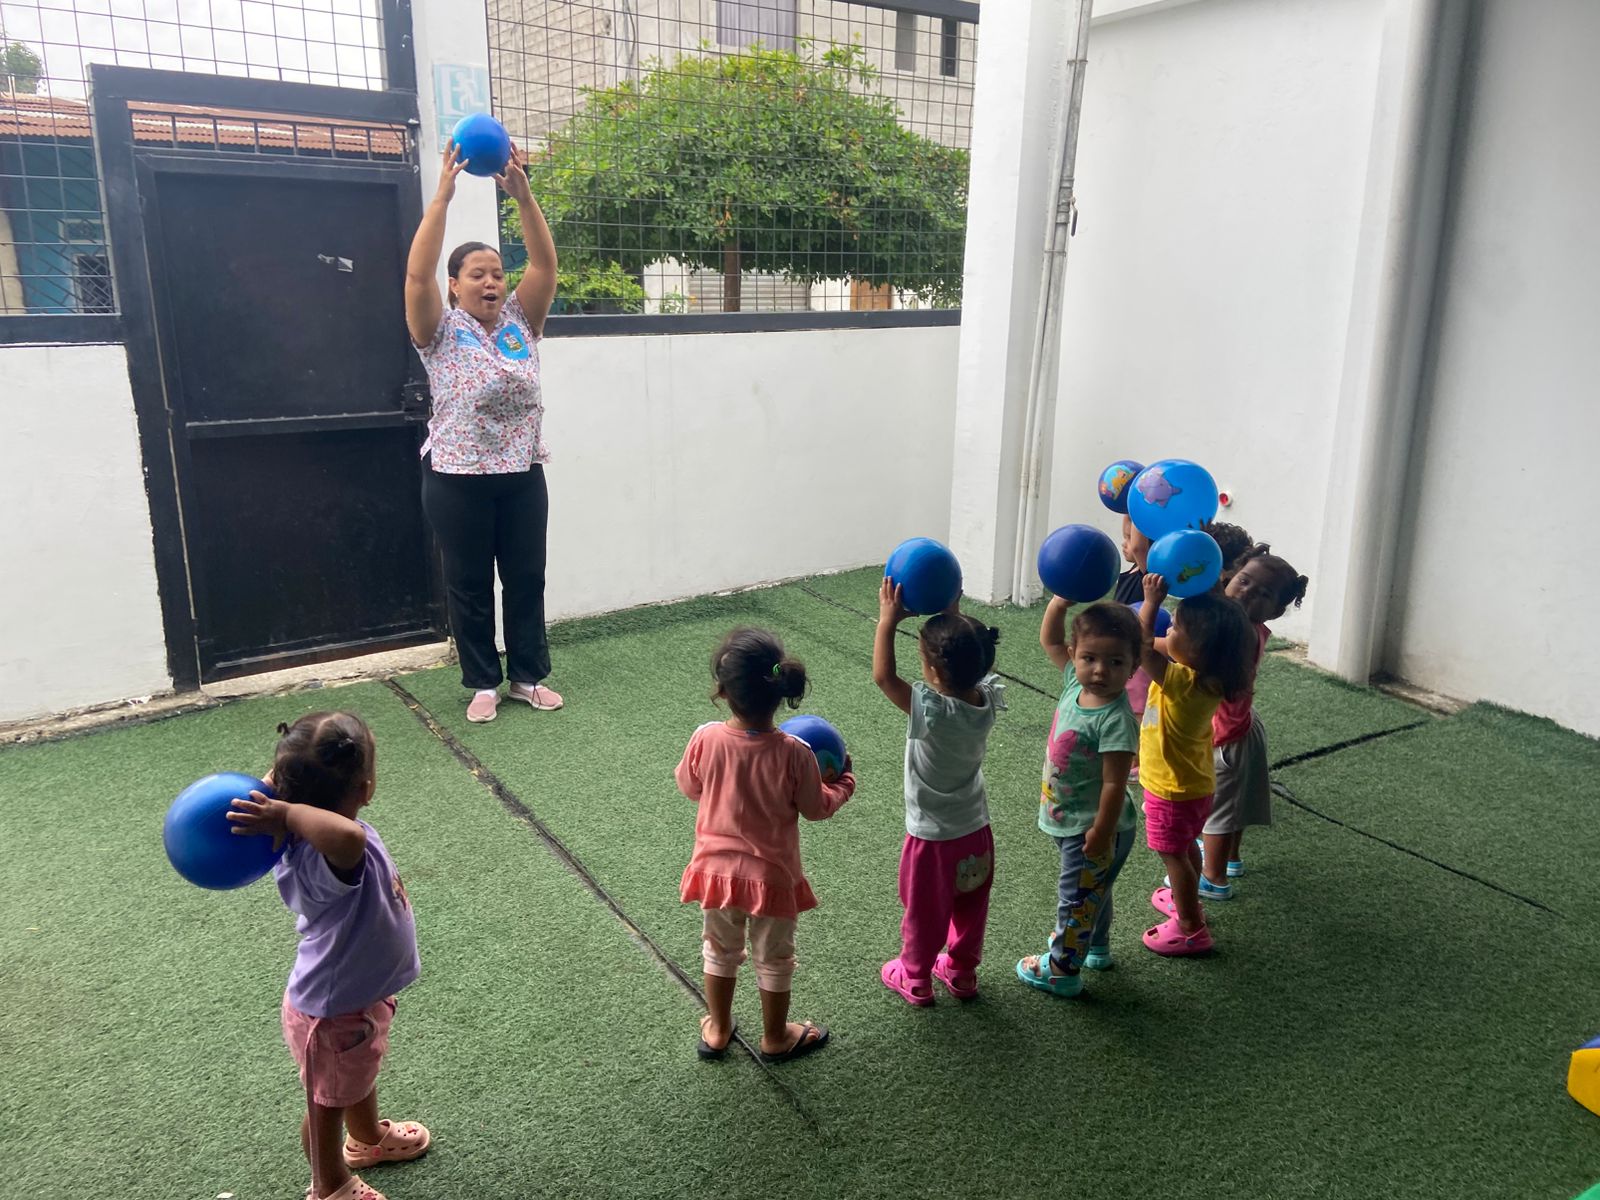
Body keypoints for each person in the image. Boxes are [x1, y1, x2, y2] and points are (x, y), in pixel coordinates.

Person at [228, 712, 425, 1200]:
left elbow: (292, 790)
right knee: (325, 1105)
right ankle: (330, 1185)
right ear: (365, 788)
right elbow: (348, 837)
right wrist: (285, 814)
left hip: (357, 997)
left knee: (357, 1076)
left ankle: (366, 1139)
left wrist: (281, 803)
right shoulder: (331, 850)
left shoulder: (315, 831)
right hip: (332, 1012)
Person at [404, 142, 563, 724]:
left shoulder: (521, 321)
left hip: (521, 473)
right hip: (456, 478)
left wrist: (524, 197)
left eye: (497, 274)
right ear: (455, 285)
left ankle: (527, 676)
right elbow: (416, 273)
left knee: (525, 578)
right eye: (478, 275)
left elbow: (544, 267)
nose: (491, 282)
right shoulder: (438, 330)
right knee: (468, 583)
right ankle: (481, 682)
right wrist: (442, 198)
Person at [677, 628, 855, 1063]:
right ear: (778, 692)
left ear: (722, 691)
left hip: (715, 874)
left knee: (719, 950)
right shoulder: (796, 752)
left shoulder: (705, 738)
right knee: (774, 958)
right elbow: (816, 808)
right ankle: (775, 1037)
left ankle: (718, 1029)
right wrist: (844, 783)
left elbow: (689, 786)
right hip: (772, 879)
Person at [873, 579, 1004, 1004]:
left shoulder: (930, 711)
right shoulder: (986, 701)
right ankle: (962, 971)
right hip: (976, 832)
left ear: (932, 673)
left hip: (932, 840)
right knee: (971, 906)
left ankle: (915, 977)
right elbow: (968, 655)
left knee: (925, 911)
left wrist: (888, 621)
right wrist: (953, 614)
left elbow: (884, 676)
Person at [1017, 601, 1142, 996]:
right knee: (1093, 890)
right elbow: (1051, 640)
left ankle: (1061, 969)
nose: (1100, 670)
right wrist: (1059, 603)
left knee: (1075, 900)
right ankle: (1096, 947)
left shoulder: (1116, 719)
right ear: (1074, 656)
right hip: (1073, 819)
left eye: (1115, 662)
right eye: (1090, 658)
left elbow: (1114, 783)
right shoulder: (1075, 682)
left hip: (1094, 828)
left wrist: (1101, 832)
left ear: (1134, 666)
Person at [1137, 576, 1254, 955]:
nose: (1168, 631)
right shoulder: (1211, 679)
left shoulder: (1182, 683)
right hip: (1194, 786)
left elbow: (1141, 646)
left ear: (1198, 649)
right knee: (1186, 845)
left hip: (1171, 789)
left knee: (1172, 854)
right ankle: (1188, 900)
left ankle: (1190, 926)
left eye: (1174, 628)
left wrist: (1151, 602)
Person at [1200, 546, 1310, 895]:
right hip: (1243, 726)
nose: (1248, 592)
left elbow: (1189, 653)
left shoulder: (1239, 632)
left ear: (1276, 611)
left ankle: (1212, 877)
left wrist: (1149, 643)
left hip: (1226, 737)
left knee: (1217, 812)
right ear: (1230, 578)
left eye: (1263, 593)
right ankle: (1230, 858)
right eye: (1244, 581)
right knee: (1234, 803)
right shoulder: (1250, 625)